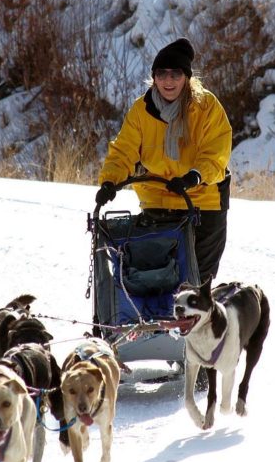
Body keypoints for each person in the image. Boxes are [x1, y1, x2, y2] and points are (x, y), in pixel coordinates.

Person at [96, 37, 232, 282]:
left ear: (186, 78)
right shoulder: (142, 109)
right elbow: (124, 150)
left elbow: (216, 151)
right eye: (162, 74)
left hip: (202, 201)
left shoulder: (206, 106)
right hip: (157, 200)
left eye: (175, 74)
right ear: (154, 77)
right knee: (151, 278)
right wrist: (109, 181)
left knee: (197, 282)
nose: (168, 81)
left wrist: (195, 176)